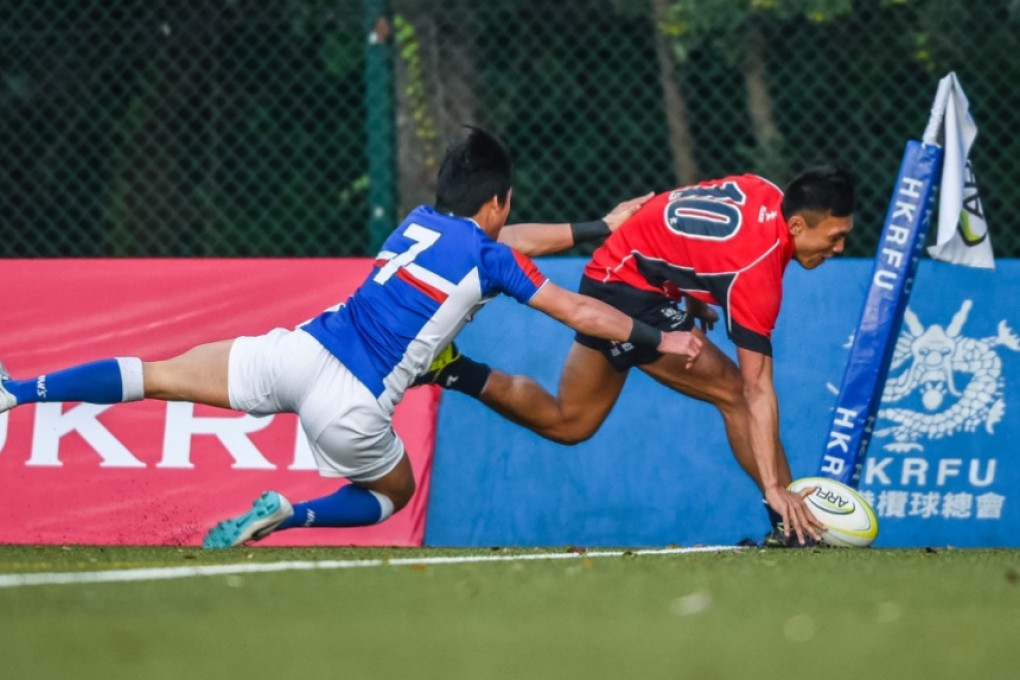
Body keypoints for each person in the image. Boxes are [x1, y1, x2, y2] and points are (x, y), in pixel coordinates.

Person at [0, 127, 701, 549]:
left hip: (296, 352)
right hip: (353, 401)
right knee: (391, 494)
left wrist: (595, 228)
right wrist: (658, 340)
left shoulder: (419, 221)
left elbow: (507, 238)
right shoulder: (491, 257)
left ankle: (16, 389)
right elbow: (579, 311)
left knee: (155, 373)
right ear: (498, 201)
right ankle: (291, 512)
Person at [420, 166, 856, 546]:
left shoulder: (765, 190)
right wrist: (777, 486)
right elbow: (756, 387)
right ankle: (792, 524)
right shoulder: (757, 275)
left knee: (569, 421)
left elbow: (687, 219)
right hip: (629, 289)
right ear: (797, 226)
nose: (839, 248)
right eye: (835, 238)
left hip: (615, 270)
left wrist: (687, 284)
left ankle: (454, 368)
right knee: (738, 396)